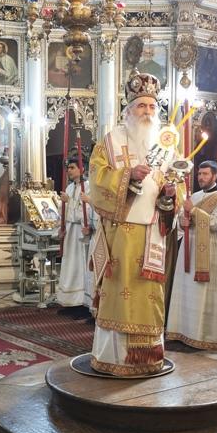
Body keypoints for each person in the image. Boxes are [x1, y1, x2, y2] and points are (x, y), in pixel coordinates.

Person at [87, 72, 182, 376]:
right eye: (141, 106)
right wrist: (128, 178)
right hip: (121, 233)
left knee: (150, 295)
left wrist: (171, 194)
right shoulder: (111, 142)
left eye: (152, 107)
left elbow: (177, 185)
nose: (147, 112)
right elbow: (97, 178)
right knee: (120, 294)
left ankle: (148, 357)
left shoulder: (167, 146)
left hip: (153, 232)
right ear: (129, 110)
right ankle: (114, 357)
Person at [167, 161, 217, 350]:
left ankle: (204, 335)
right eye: (199, 174)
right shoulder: (193, 196)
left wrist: (192, 212)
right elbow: (181, 220)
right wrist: (183, 219)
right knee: (185, 287)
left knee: (203, 291)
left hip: (209, 249)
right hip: (188, 247)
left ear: (215, 175)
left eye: (205, 174)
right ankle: (182, 331)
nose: (201, 177)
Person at [57, 160, 93, 314]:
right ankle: (68, 302)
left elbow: (85, 212)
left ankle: (80, 304)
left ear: (82, 168)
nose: (69, 171)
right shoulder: (70, 187)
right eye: (68, 168)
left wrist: (69, 201)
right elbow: (62, 211)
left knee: (80, 268)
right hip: (70, 232)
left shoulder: (90, 186)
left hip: (81, 233)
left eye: (72, 167)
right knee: (69, 266)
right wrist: (61, 228)